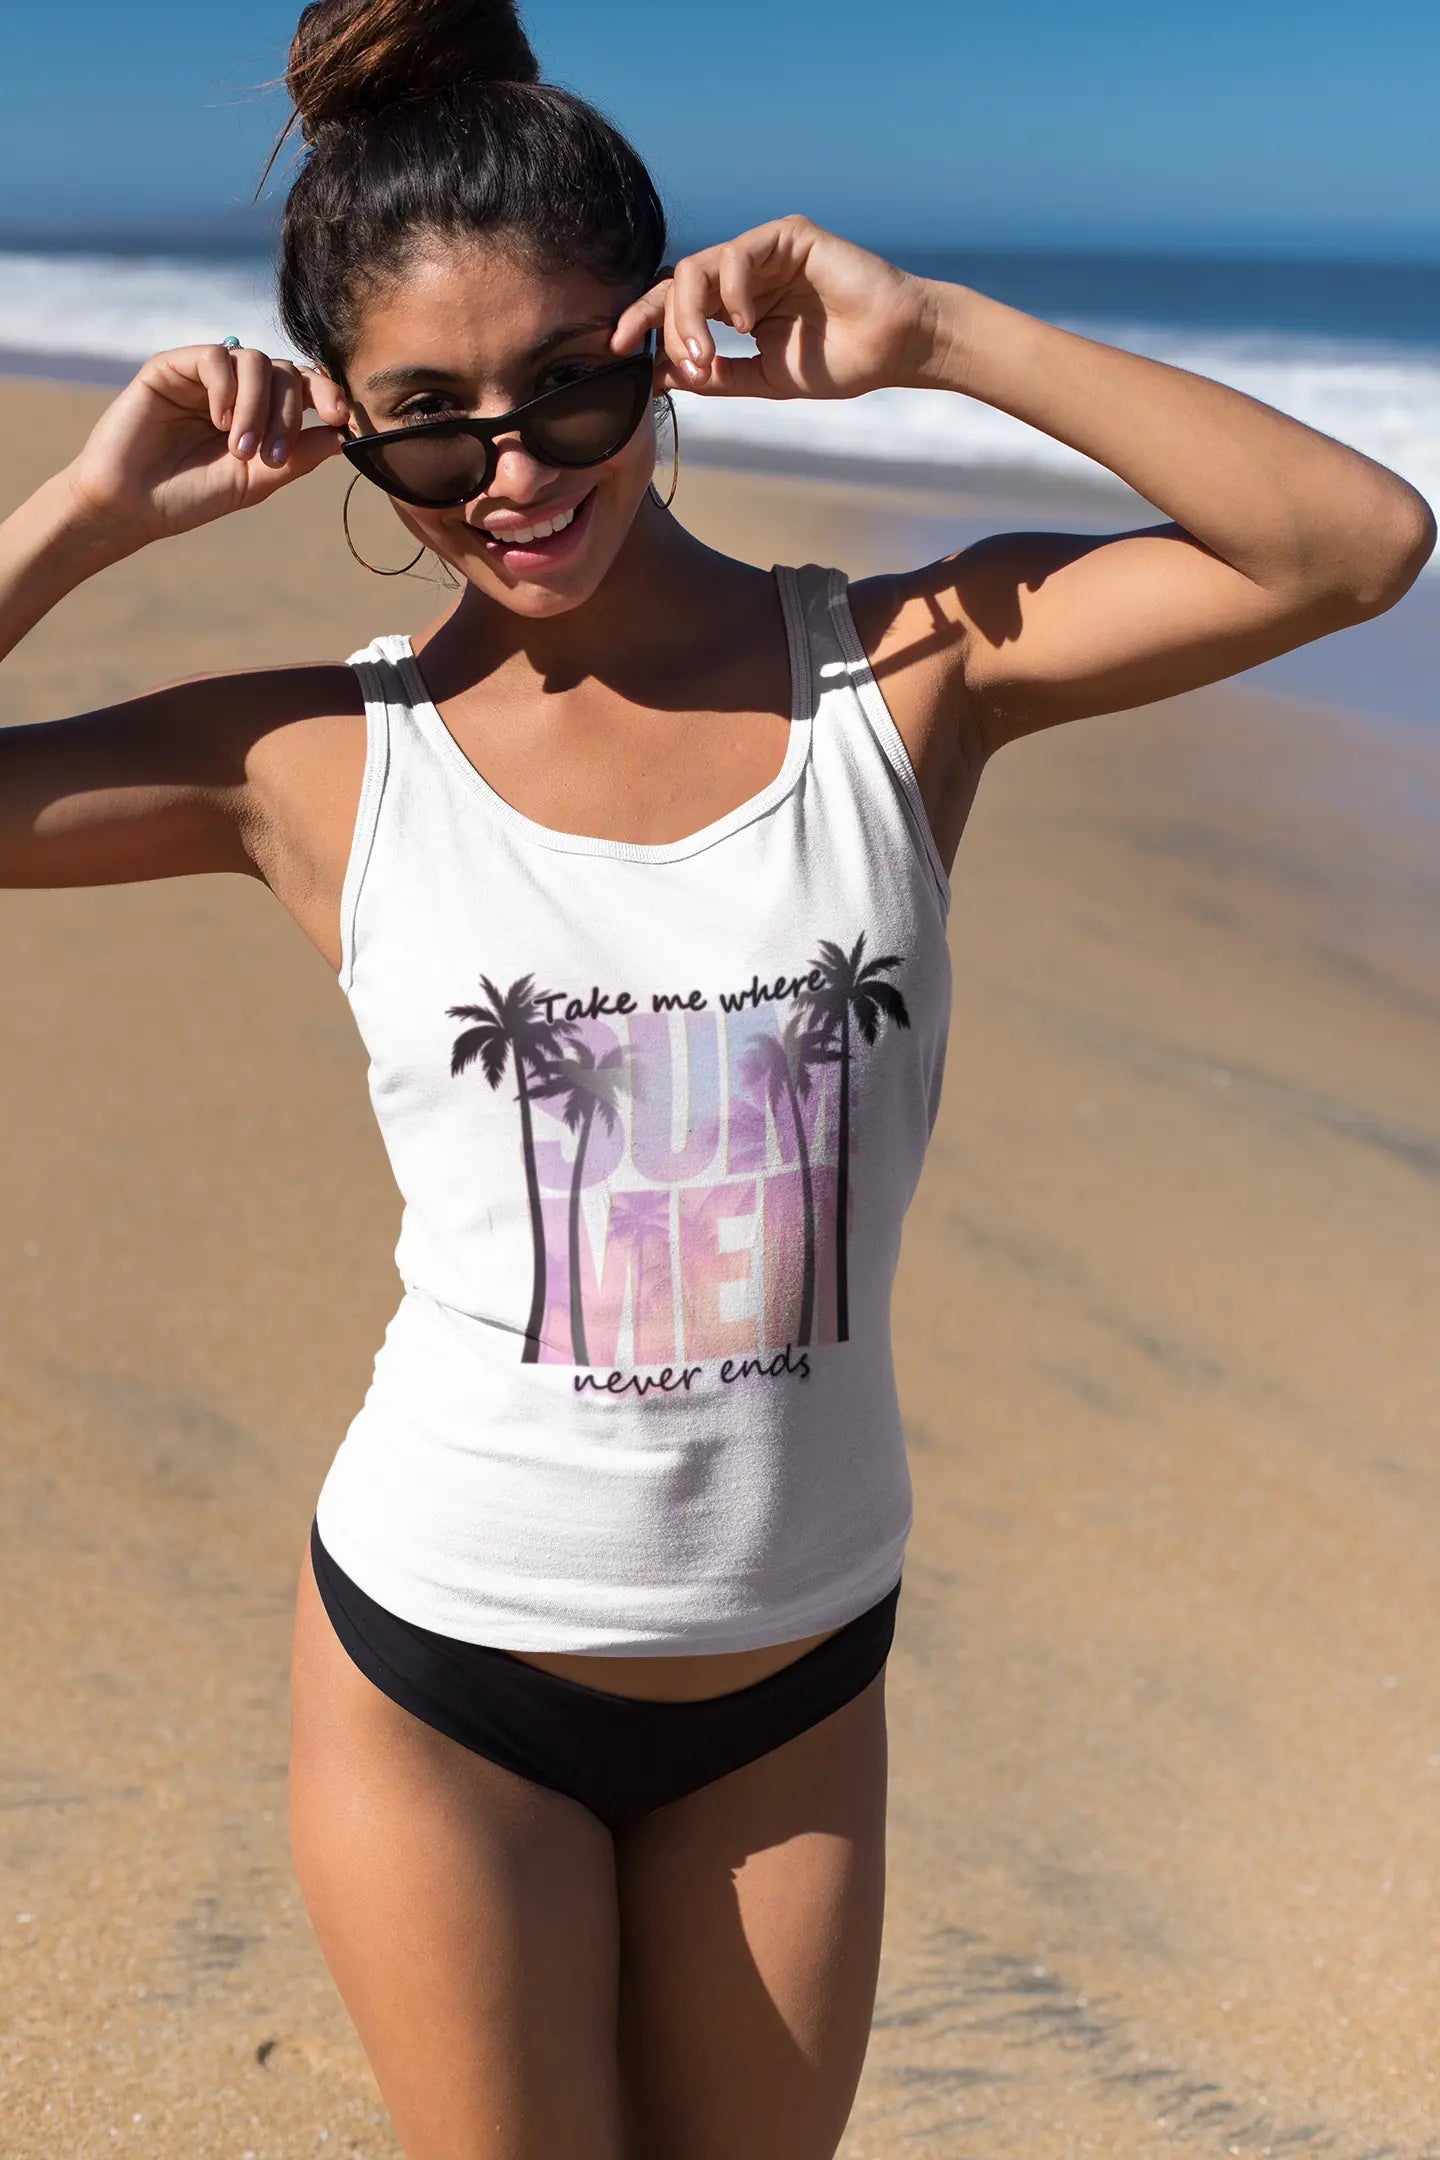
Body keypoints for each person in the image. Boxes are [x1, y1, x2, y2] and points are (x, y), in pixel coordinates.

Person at [1, 0, 1431, 2151]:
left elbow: (1354, 547)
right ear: (351, 441)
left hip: (795, 1682)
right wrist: (90, 513)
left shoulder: (903, 675)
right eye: (428, 424)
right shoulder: (315, 761)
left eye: (571, 385)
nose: (516, 472)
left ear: (659, 349)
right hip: (443, 1673)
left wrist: (937, 329)